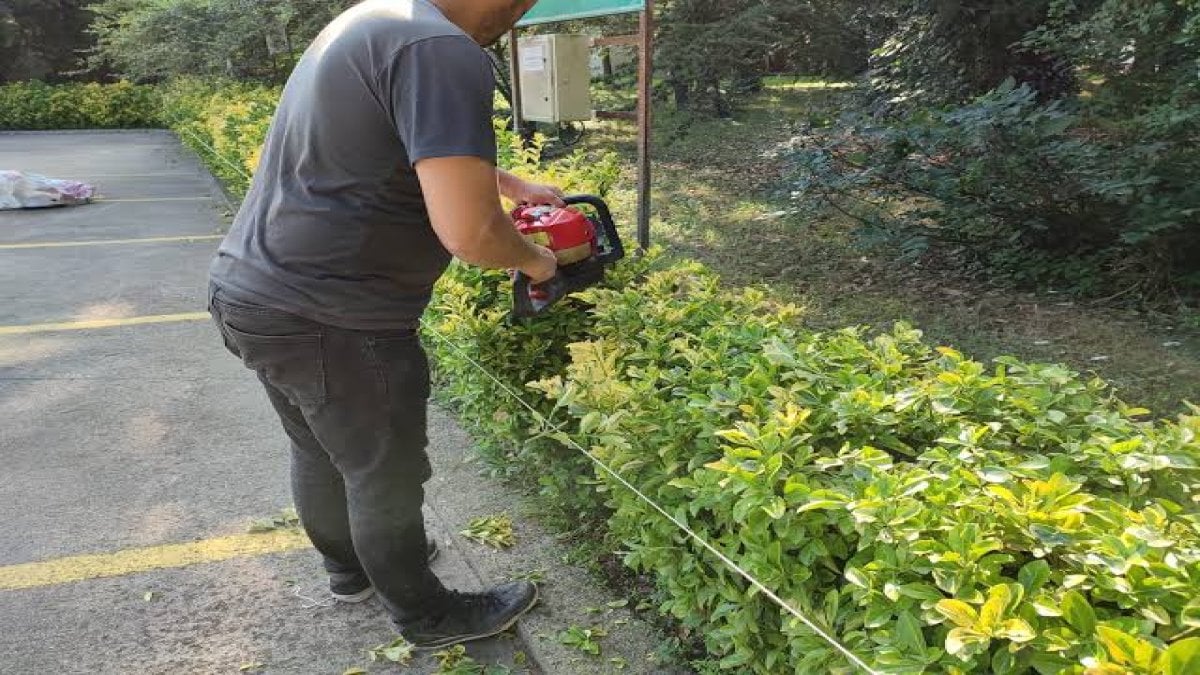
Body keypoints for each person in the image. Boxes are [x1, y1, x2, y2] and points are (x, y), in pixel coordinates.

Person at [206, 0, 560, 649]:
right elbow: (472, 233)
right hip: (334, 313)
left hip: (252, 291)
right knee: (383, 471)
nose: (517, 14)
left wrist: (508, 183)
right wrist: (539, 262)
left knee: (321, 447)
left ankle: (352, 568)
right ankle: (426, 614)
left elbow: (389, 140)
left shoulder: (376, 19)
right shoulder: (444, 49)